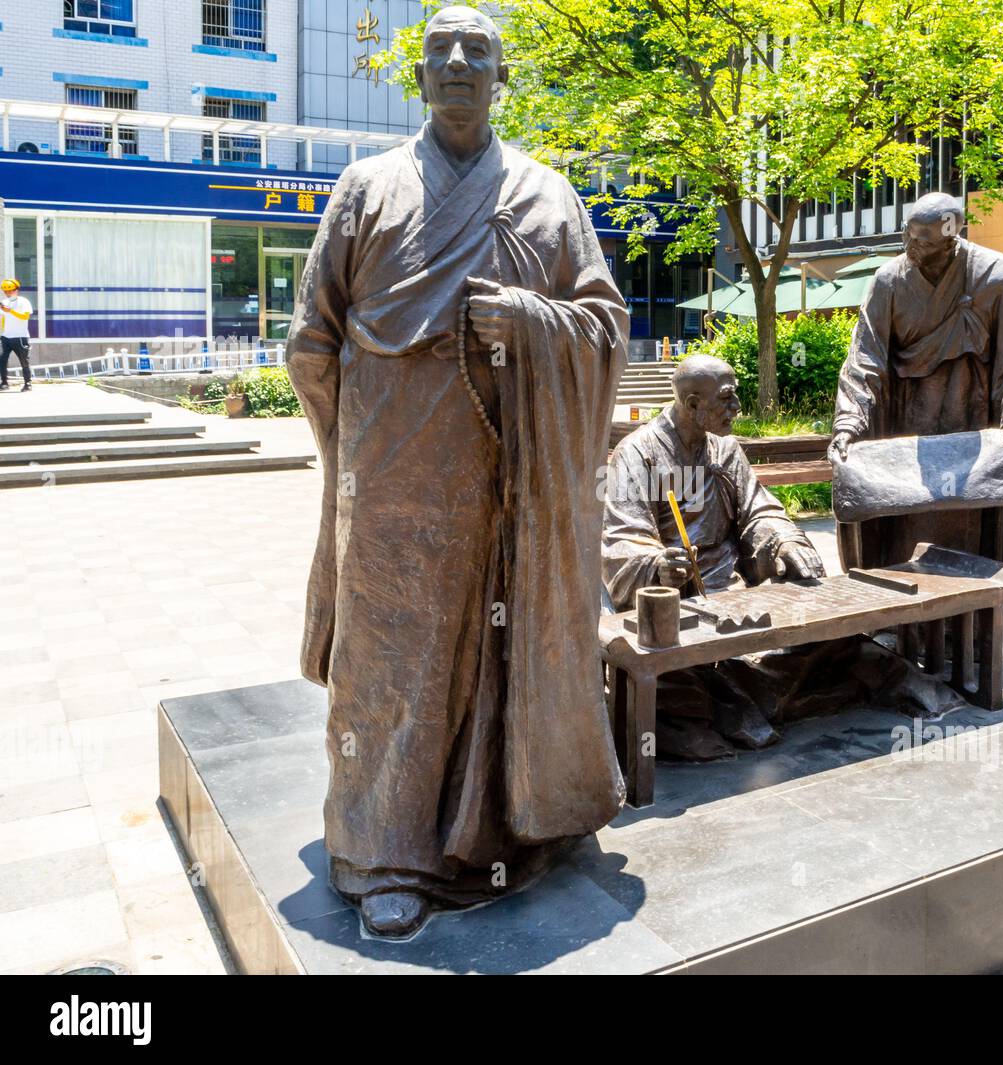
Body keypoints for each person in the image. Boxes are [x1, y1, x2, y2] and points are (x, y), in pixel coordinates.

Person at [286, 8, 629, 938]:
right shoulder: (366, 190)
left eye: (477, 51)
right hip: (394, 484)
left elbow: (604, 323)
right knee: (393, 665)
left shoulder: (549, 197)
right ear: (420, 76)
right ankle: (385, 849)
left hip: (508, 486)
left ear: (501, 74)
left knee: (499, 655)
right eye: (440, 51)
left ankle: (513, 820)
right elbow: (311, 343)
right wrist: (354, 461)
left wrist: (530, 320)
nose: (458, 64)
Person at [603, 354, 966, 760]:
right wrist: (657, 565)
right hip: (682, 605)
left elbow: (759, 511)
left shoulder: (724, 449)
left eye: (735, 395)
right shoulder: (638, 454)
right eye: (726, 399)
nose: (737, 407)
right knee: (677, 673)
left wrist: (782, 543)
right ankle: (741, 702)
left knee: (823, 632)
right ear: (691, 404)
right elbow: (624, 537)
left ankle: (756, 698)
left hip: (737, 594)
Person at [829, 192, 1003, 659]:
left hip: (977, 433)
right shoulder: (889, 280)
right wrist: (850, 421)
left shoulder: (999, 276)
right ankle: (904, 618)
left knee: (977, 531)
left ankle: (985, 625)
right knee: (908, 530)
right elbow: (864, 359)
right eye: (909, 238)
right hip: (909, 433)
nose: (914, 249)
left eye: (925, 242)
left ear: (953, 233)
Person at [0, 279, 34, 392]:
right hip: (5, 337)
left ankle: (28, 383)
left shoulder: (23, 301)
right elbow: (3, 319)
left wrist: (10, 311)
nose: (8, 293)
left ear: (16, 290)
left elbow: (25, 317)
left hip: (20, 337)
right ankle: (4, 383)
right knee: (2, 359)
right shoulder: (4, 302)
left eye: (10, 291)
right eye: (6, 291)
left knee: (24, 361)